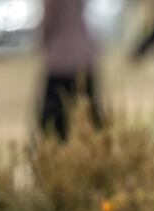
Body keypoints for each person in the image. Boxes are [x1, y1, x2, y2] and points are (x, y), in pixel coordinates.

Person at [39, 0, 102, 139]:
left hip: (62, 59)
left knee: (52, 120)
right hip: (85, 55)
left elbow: (49, 21)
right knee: (90, 115)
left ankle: (61, 155)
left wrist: (42, 43)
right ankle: (95, 153)